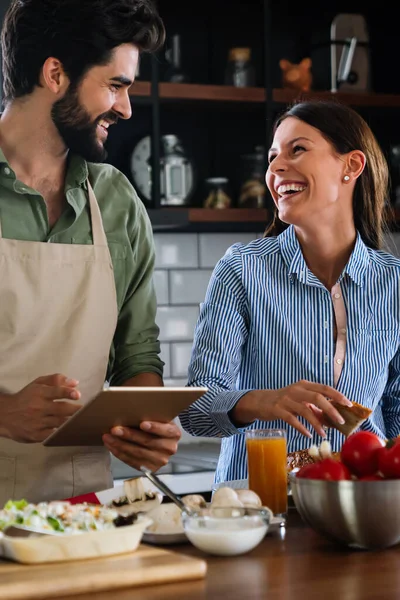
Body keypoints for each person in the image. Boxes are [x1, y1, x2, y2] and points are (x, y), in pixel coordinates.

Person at [0, 0, 181, 505]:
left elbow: (137, 356)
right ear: (55, 73)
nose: (125, 108)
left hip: (81, 517)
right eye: (116, 84)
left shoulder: (116, 201)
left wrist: (147, 424)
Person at [181, 100, 400, 485]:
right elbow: (196, 408)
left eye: (297, 149)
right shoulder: (243, 270)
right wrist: (264, 401)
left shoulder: (393, 282)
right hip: (259, 507)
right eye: (272, 156)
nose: (276, 167)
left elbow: (396, 412)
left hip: (360, 505)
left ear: (351, 166)